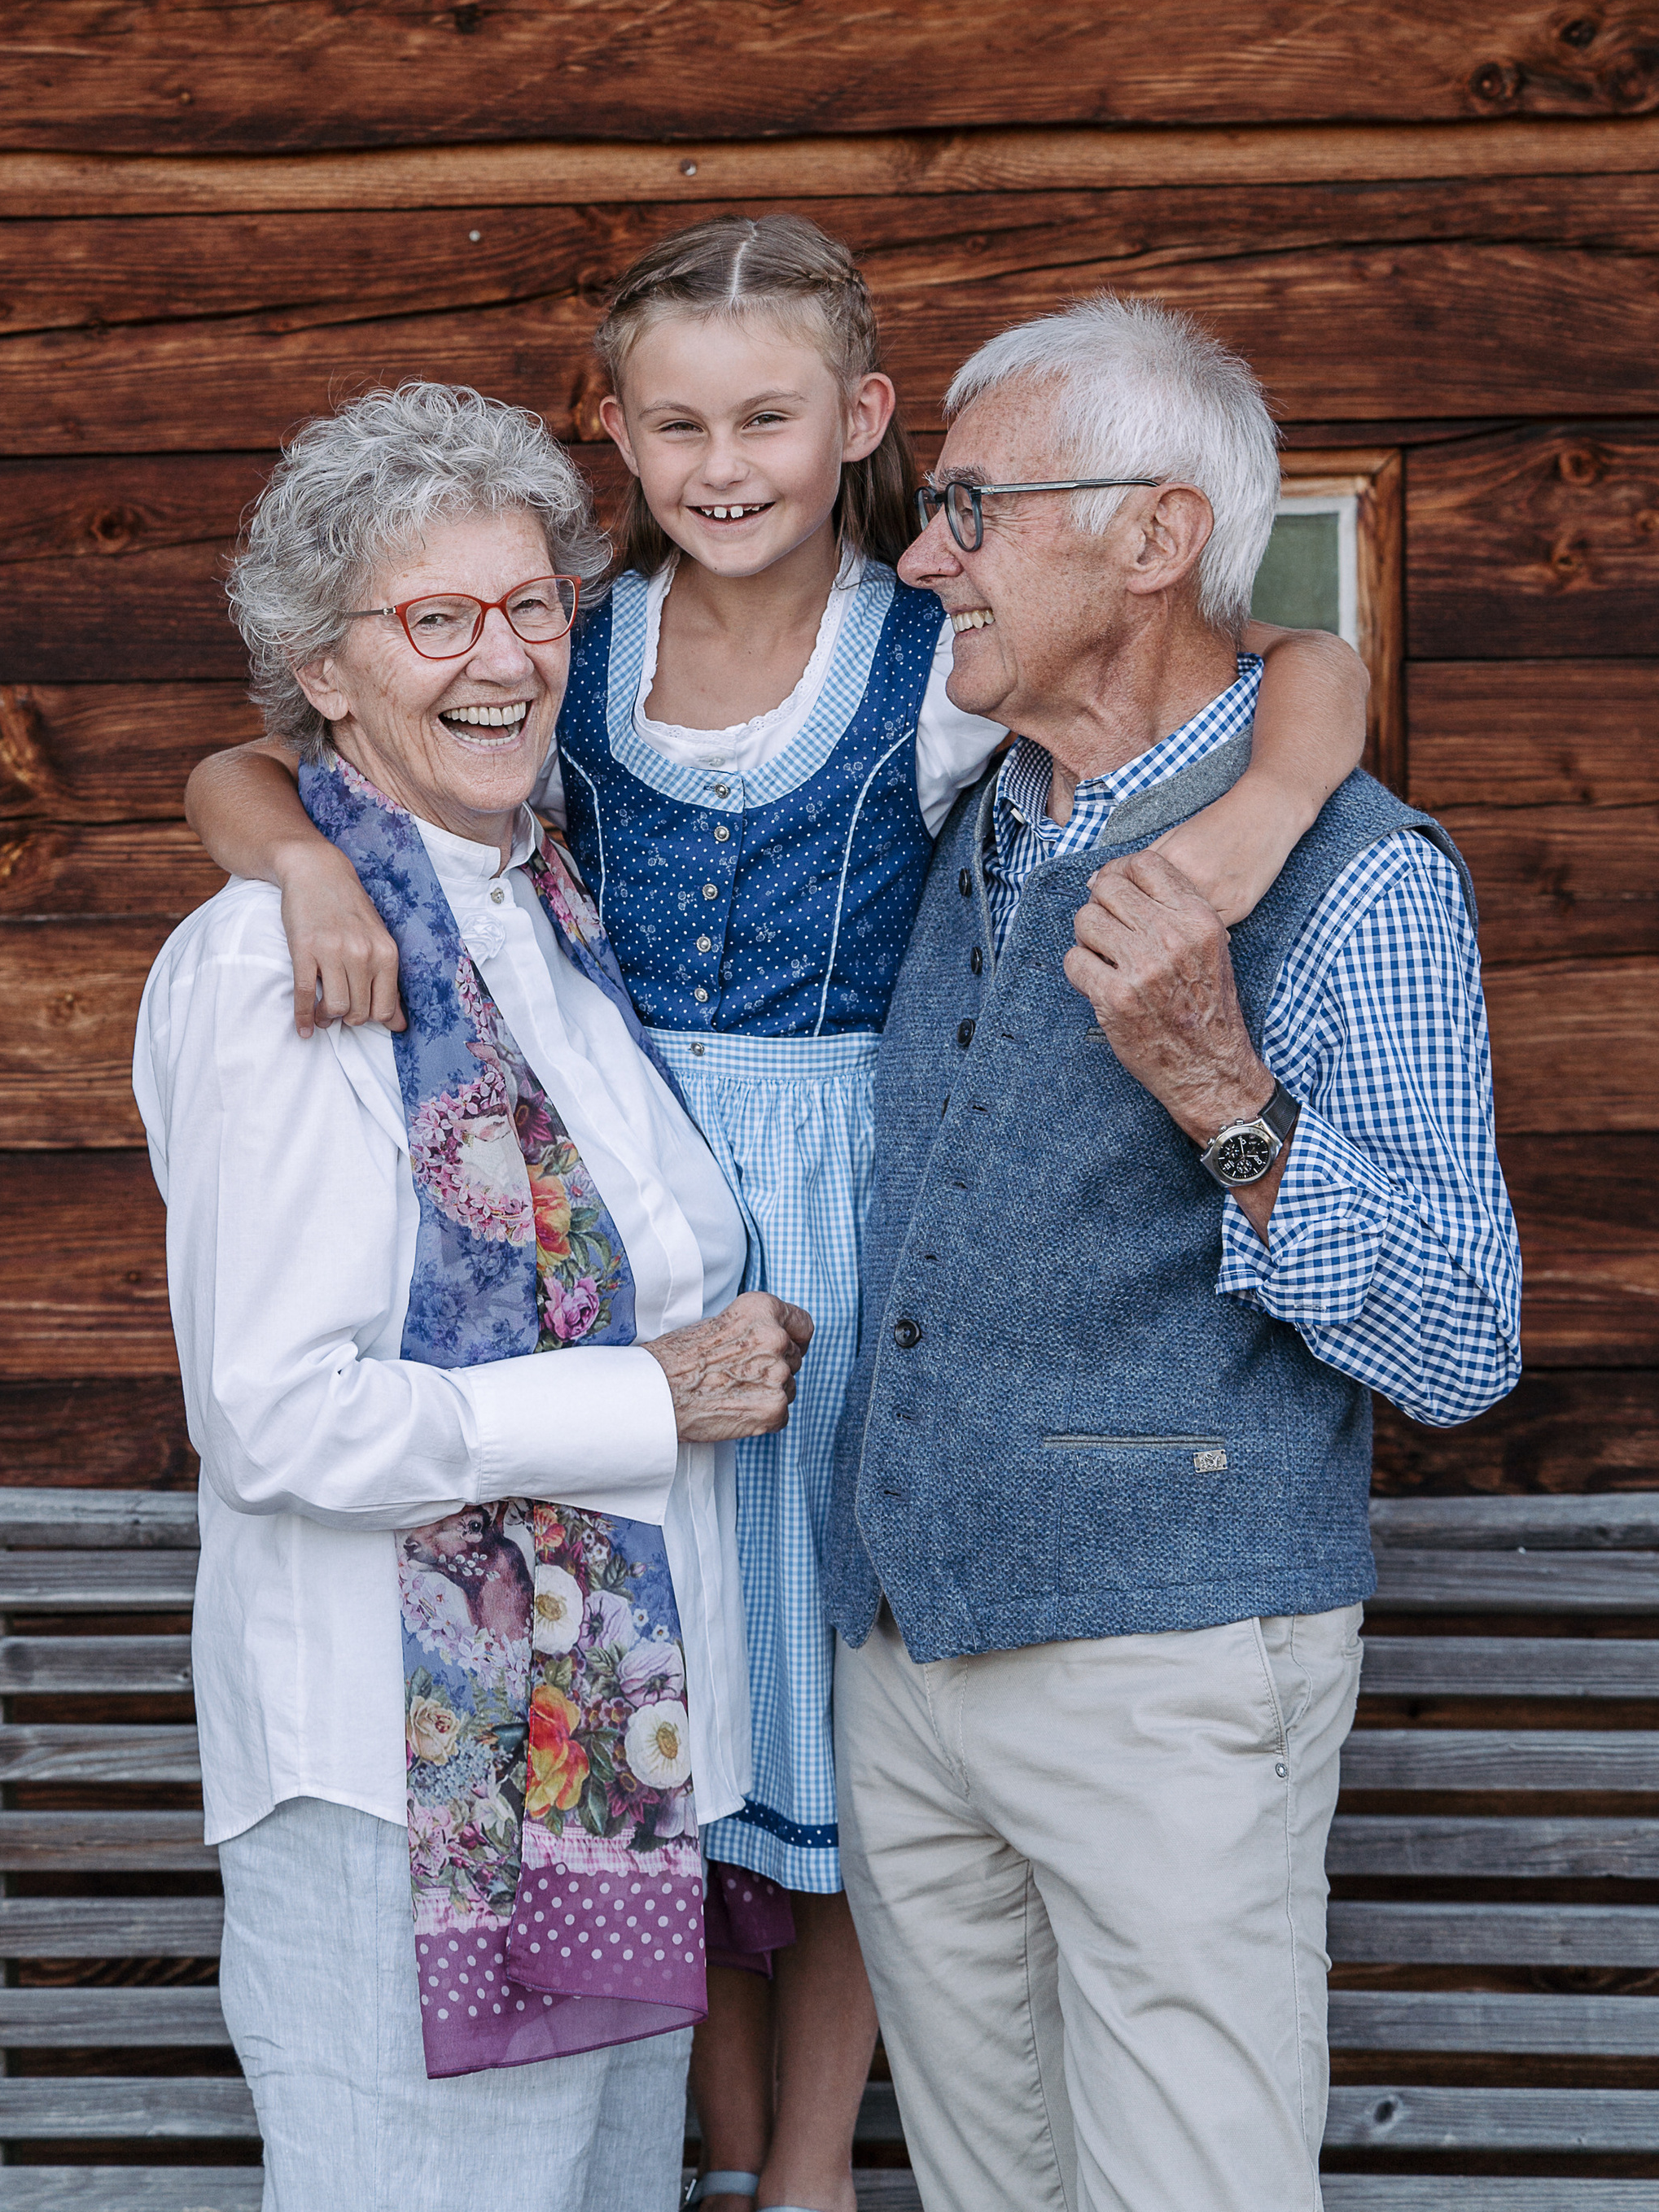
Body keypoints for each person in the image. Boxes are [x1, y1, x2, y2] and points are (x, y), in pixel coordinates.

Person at [184, 220, 1371, 2212]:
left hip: (834, 1204)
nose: (720, 462)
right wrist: (298, 866)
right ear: (617, 437)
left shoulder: (936, 652)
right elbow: (265, 756)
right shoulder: (564, 648)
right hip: (612, 1161)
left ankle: (804, 2163)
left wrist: (1249, 826)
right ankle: (722, 2153)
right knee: (689, 1687)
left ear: (861, 425)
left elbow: (1306, 666)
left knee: (826, 1708)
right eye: (673, 422)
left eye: (766, 415)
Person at [824, 293, 1523, 2212]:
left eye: (968, 506)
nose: (917, 553)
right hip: (903, 1648)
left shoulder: (1358, 876)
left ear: (1148, 538)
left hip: (1167, 1654)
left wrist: (1224, 1096)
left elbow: (1462, 1341)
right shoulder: (966, 799)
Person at [135, 380, 814, 2212]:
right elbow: (279, 1416)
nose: (499, 657)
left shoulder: (542, 915)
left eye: (531, 607)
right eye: (435, 618)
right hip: (397, 1786)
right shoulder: (283, 961)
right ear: (322, 673)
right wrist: (647, 1396)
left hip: (599, 1763)